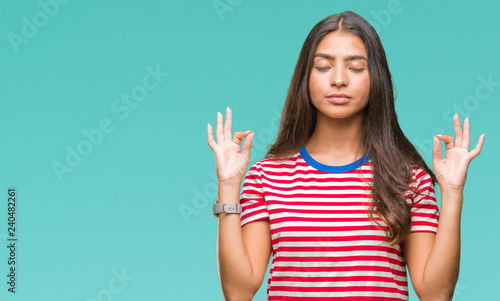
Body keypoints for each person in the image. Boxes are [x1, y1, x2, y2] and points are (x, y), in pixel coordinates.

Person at [207, 10, 485, 301]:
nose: (339, 80)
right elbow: (238, 292)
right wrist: (227, 186)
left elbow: (435, 294)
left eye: (355, 68)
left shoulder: (407, 178)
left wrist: (453, 192)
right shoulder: (267, 176)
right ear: (306, 77)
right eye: (324, 67)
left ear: (376, 77)